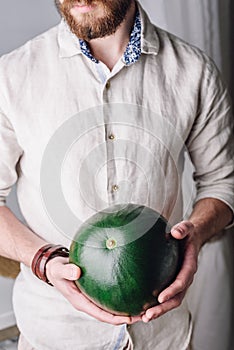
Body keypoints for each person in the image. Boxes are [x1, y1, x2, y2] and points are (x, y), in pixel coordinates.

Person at [0, 0, 233, 349]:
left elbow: (223, 182)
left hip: (164, 336)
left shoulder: (195, 71)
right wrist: (43, 261)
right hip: (54, 333)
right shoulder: (12, 75)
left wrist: (195, 235)